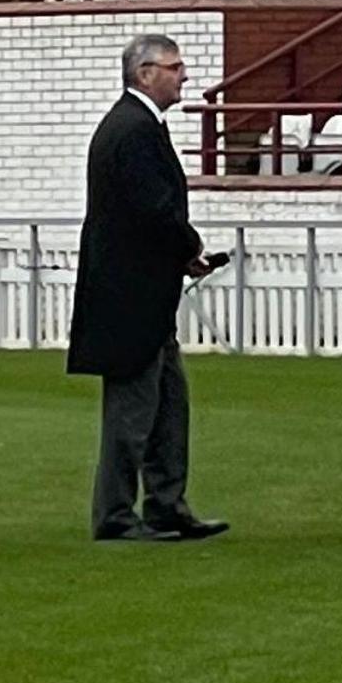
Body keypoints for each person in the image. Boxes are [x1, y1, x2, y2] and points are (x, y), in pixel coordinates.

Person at [66, 34, 230, 543]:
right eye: (175, 66)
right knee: (133, 411)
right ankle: (116, 513)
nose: (184, 74)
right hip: (130, 297)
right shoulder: (133, 130)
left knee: (167, 405)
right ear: (145, 74)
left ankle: (166, 503)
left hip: (145, 294)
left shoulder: (139, 126)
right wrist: (189, 247)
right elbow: (153, 209)